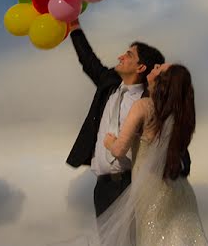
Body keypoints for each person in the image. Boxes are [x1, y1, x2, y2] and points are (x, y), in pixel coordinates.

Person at [65, 20, 192, 219]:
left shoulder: (150, 104)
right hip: (102, 188)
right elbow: (88, 60)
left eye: (129, 55)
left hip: (133, 184)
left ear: (140, 67)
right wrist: (74, 27)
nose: (120, 57)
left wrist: (180, 168)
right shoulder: (109, 84)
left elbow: (172, 142)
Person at [98, 63, 208, 246]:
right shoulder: (181, 115)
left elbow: (119, 150)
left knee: (153, 241)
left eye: (160, 68)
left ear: (162, 82)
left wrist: (109, 142)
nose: (156, 65)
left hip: (151, 189)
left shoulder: (143, 107)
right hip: (180, 189)